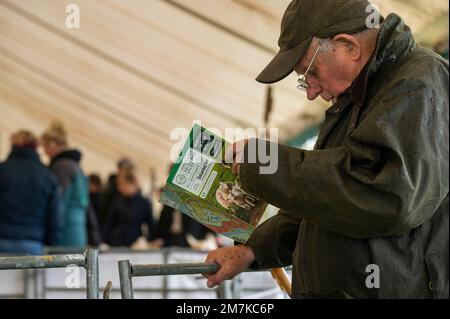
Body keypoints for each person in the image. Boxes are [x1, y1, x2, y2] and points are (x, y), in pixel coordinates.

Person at [203, 0, 448, 299]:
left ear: (348, 46)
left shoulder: (418, 84)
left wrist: (265, 164)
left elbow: (385, 195)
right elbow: (325, 202)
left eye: (311, 72)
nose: (310, 91)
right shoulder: (355, 101)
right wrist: (253, 250)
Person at [0, 130, 63, 255]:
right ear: (36, 147)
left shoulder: (2, 170)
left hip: (2, 238)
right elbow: (55, 215)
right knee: (32, 274)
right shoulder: (47, 176)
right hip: (33, 241)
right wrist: (52, 242)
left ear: (13, 146)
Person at [41, 121, 89, 247]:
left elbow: (59, 200)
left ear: (53, 145)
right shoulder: (75, 165)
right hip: (78, 226)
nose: (44, 151)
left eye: (45, 146)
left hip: (66, 229)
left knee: (63, 264)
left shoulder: (60, 166)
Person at [103, 171, 156, 247]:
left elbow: (151, 224)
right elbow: (109, 223)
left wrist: (150, 241)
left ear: (130, 184)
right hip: (116, 243)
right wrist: (105, 241)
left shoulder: (143, 202)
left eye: (121, 185)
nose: (118, 188)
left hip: (135, 244)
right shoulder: (116, 201)